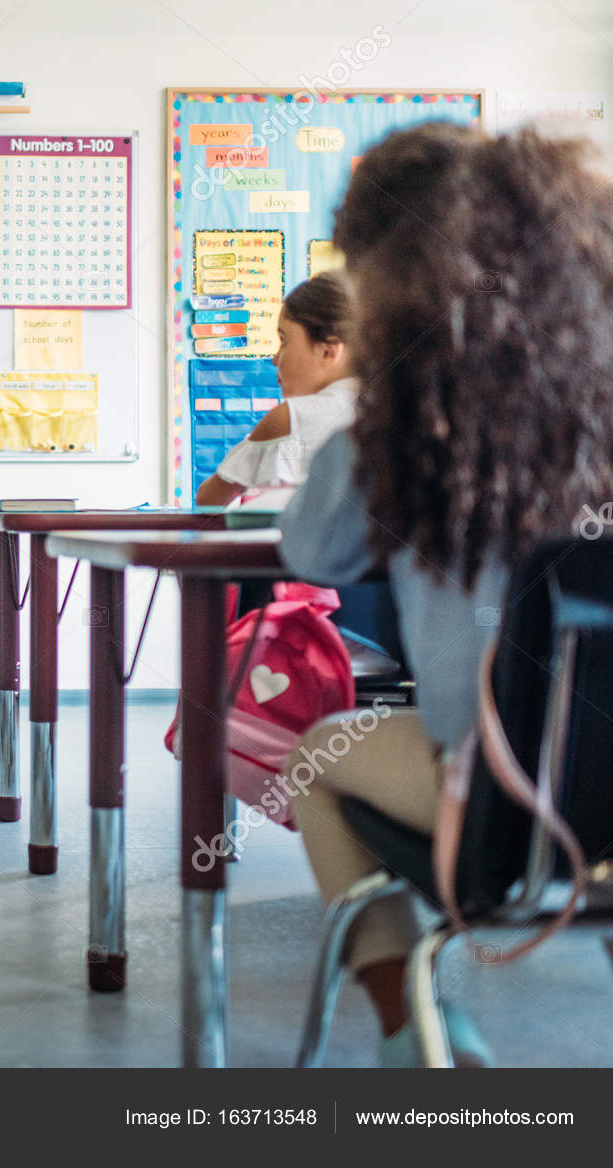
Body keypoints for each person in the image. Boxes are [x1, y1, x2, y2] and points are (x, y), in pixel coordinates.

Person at [278, 122, 613, 1066]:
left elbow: (313, 553)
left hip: (495, 800)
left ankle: (414, 1030)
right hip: (604, 790)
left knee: (317, 755)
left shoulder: (389, 441)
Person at [196, 272, 356, 508]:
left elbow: (208, 500)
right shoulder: (392, 407)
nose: (274, 359)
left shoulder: (290, 418)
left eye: (283, 340)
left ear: (327, 352)